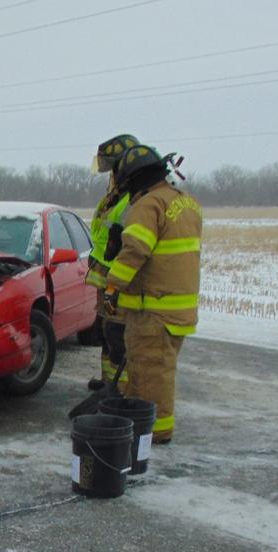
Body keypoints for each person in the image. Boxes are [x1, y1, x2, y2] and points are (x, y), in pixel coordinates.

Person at [103, 145, 202, 445]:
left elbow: (135, 250)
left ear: (134, 179)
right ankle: (148, 426)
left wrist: (112, 287)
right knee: (156, 371)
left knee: (149, 376)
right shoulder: (186, 203)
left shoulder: (148, 205)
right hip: (178, 308)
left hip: (153, 310)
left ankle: (154, 432)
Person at [86, 134, 139, 391]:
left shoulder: (134, 197)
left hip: (118, 276)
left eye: (112, 167)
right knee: (107, 333)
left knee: (118, 335)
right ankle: (109, 383)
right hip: (103, 272)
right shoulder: (115, 194)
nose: (110, 174)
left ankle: (122, 391)